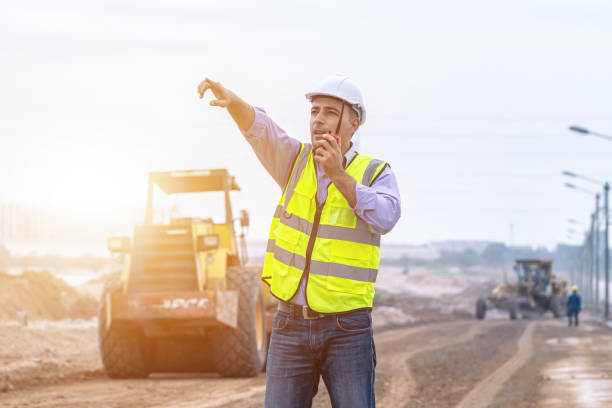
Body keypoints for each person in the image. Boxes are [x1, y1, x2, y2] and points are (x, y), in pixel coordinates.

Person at [197, 75, 401, 408]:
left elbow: (386, 217)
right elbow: (263, 130)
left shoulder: (374, 173)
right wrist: (234, 102)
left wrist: (339, 175)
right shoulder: (294, 161)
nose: (319, 119)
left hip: (347, 328)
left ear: (354, 122)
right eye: (314, 111)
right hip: (290, 322)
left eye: (330, 112)